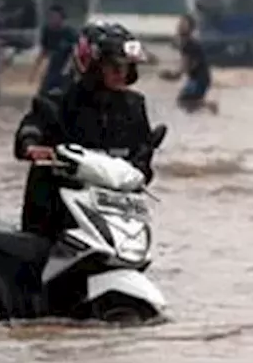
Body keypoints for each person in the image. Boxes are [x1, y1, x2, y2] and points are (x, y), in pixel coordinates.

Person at [13, 23, 157, 239]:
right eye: (114, 67)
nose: (121, 74)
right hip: (56, 214)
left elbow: (142, 157)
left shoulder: (134, 107)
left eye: (126, 67)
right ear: (94, 66)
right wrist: (31, 145)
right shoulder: (57, 101)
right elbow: (32, 127)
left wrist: (143, 163)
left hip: (114, 216)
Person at [159, 13, 218, 113]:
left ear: (190, 28)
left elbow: (186, 64)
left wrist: (175, 75)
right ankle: (208, 110)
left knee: (184, 101)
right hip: (199, 78)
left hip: (199, 79)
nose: (180, 26)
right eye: (180, 23)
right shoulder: (187, 42)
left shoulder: (188, 44)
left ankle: (210, 106)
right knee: (189, 106)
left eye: (183, 24)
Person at [31, 4, 77, 93]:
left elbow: (75, 53)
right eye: (50, 17)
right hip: (53, 69)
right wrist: (35, 70)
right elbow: (44, 51)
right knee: (43, 93)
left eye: (54, 17)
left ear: (62, 18)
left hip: (67, 71)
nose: (51, 19)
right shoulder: (47, 31)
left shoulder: (70, 33)